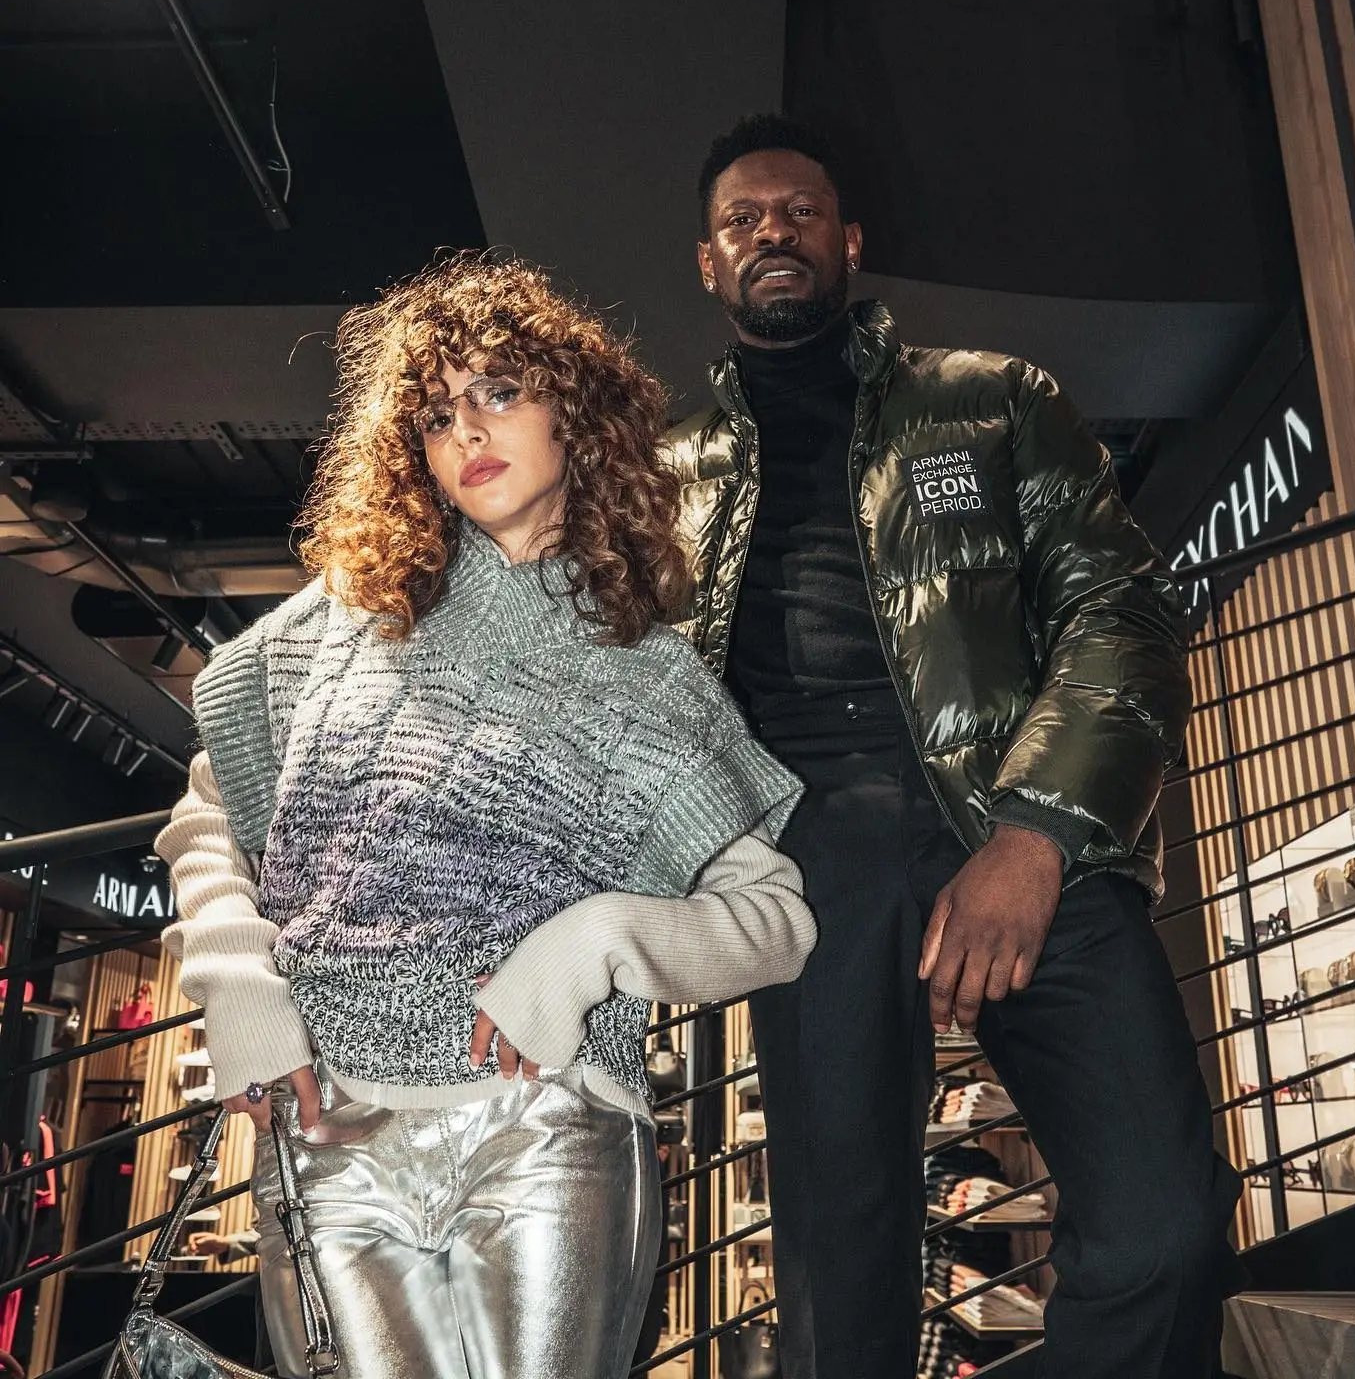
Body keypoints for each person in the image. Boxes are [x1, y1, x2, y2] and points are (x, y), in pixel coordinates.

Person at [156, 253, 815, 1379]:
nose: (467, 430)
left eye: (500, 391)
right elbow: (206, 819)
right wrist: (241, 992)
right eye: (434, 414)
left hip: (549, 1134)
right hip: (329, 1140)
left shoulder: (648, 678)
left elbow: (775, 920)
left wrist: (595, 942)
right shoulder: (344, 622)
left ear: (577, 414)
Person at [667, 114, 1244, 1379]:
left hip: (1017, 827)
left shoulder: (992, 400)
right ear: (707, 264)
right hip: (801, 872)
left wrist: (1036, 835)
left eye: (801, 211)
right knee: (841, 1283)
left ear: (851, 241)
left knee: (1165, 1222)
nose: (775, 229)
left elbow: (1123, 610)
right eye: (743, 219)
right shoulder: (667, 474)